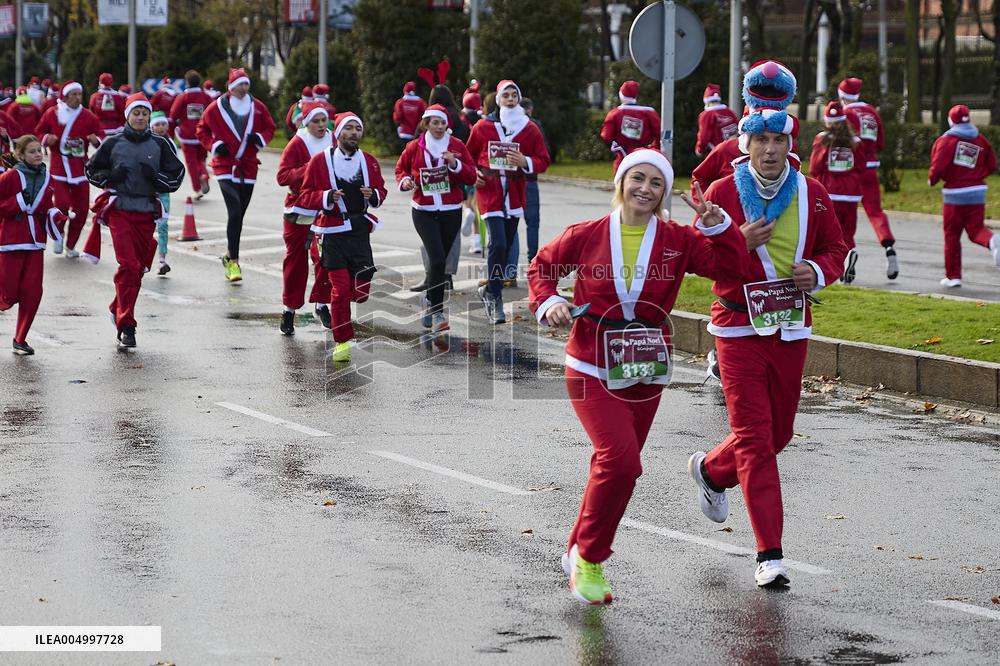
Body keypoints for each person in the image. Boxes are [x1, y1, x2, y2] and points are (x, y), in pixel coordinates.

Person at [528, 148, 748, 605]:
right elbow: (542, 268)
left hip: (646, 367)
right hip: (590, 363)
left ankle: (576, 546)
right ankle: (590, 557)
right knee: (622, 461)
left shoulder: (677, 238)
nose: (645, 189)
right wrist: (548, 301)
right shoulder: (587, 234)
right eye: (638, 179)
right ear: (621, 182)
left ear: (664, 192)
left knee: (612, 467)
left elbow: (732, 268)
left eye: (656, 183)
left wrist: (717, 226)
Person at [688, 60, 846, 589]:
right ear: (746, 143)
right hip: (736, 327)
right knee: (755, 439)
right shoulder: (724, 195)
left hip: (791, 326)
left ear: (789, 143)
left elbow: (836, 248)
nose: (771, 149)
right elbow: (703, 260)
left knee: (778, 434)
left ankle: (711, 471)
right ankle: (769, 554)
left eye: (779, 139)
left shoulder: (813, 192)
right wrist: (737, 241)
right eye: (761, 140)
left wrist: (817, 272)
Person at [85, 93, 185, 348]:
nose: (140, 118)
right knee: (128, 264)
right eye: (136, 113)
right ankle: (127, 324)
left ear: (149, 116)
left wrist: (157, 180)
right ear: (127, 115)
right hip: (120, 210)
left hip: (146, 211)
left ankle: (117, 306)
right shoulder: (113, 142)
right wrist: (111, 176)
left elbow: (177, 175)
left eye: (144, 113)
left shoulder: (160, 144)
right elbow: (91, 170)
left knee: (138, 269)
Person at [298, 112, 387, 363]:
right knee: (340, 290)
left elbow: (382, 190)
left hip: (359, 232)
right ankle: (342, 342)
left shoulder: (369, 162)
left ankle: (342, 314)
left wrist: (374, 195)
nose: (354, 133)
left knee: (360, 289)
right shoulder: (320, 162)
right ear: (338, 133)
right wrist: (326, 197)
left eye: (358, 129)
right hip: (332, 233)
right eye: (348, 128)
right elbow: (304, 196)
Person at [466, 80, 550, 324]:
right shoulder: (483, 127)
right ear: (499, 100)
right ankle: (495, 297)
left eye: (515, 95)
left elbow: (543, 160)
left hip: (515, 193)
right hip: (490, 192)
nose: (511, 99)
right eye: (506, 96)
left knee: (507, 242)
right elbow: (468, 155)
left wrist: (526, 162)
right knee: (499, 244)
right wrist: (474, 174)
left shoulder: (530, 129)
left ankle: (489, 289)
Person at [396, 104, 477, 332]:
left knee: (440, 260)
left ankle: (429, 301)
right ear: (426, 124)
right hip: (423, 210)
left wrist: (454, 163)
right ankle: (438, 312)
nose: (440, 127)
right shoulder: (414, 147)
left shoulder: (457, 146)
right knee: (438, 259)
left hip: (451, 209)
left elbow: (470, 176)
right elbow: (401, 170)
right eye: (435, 123)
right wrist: (406, 182)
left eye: (443, 123)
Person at [195, 67, 276, 282]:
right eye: (240, 83)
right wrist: (214, 144)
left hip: (248, 166)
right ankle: (234, 263)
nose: (244, 87)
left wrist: (259, 138)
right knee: (234, 212)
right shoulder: (216, 108)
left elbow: (270, 127)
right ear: (231, 86)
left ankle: (228, 255)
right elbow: (201, 130)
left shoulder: (257, 107)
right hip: (224, 165)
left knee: (240, 213)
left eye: (246, 83)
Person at [0, 135, 63, 355]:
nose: (38, 155)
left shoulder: (48, 178)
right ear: (21, 155)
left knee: (33, 292)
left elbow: (47, 206)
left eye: (39, 151)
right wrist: (17, 203)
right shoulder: (10, 176)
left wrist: (55, 215)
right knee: (8, 292)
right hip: (10, 241)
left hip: (35, 242)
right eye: (32, 151)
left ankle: (20, 338)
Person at [276, 101, 334, 335]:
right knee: (296, 260)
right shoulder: (298, 143)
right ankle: (289, 310)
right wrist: (310, 168)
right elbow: (282, 176)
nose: (321, 125)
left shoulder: (334, 139)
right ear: (306, 122)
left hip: (327, 207)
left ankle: (322, 304)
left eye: (324, 120)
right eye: (316, 121)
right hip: (299, 209)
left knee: (327, 258)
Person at [929, 104, 1000, 287]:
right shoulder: (980, 140)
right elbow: (991, 165)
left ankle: (953, 277)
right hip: (977, 193)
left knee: (951, 235)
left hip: (954, 195)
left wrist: (932, 180)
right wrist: (976, 175)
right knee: (976, 230)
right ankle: (993, 240)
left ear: (951, 121)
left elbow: (938, 166)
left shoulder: (946, 141)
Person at [838, 77, 899, 280]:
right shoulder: (872, 112)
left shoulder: (845, 114)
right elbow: (880, 142)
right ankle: (889, 248)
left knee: (846, 216)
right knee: (875, 212)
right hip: (871, 169)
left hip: (851, 170)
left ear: (842, 96)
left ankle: (846, 257)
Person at [34, 80, 102, 257]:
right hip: (59, 168)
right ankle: (58, 234)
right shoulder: (53, 113)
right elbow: (39, 131)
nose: (78, 98)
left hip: (80, 169)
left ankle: (71, 246)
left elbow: (101, 136)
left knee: (81, 211)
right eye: (74, 94)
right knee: (62, 205)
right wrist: (46, 138)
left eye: (80, 94)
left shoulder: (88, 116)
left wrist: (95, 140)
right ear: (65, 96)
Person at [809, 100, 865, 284]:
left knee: (829, 232)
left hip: (829, 193)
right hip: (850, 194)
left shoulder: (822, 139)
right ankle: (848, 255)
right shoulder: (855, 141)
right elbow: (862, 166)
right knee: (848, 231)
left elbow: (815, 167)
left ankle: (835, 266)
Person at [169, 70, 213, 199]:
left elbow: (173, 116)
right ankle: (204, 175)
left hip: (187, 135)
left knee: (191, 162)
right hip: (202, 134)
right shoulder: (205, 97)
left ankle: (197, 188)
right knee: (201, 160)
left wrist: (171, 133)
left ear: (187, 82)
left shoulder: (183, 97)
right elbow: (212, 112)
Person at [600, 81, 660, 172]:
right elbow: (659, 134)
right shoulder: (650, 113)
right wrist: (654, 149)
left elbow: (606, 136)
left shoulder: (615, 113)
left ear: (621, 95)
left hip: (623, 156)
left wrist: (614, 147)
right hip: (644, 156)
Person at [149, 111, 177, 276]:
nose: (160, 128)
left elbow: (176, 167)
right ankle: (143, 257)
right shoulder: (147, 142)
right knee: (145, 225)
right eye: (157, 125)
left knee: (163, 225)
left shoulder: (171, 144)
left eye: (163, 124)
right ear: (151, 127)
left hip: (164, 190)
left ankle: (162, 260)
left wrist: (168, 182)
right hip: (147, 191)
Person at [696, 83, 740, 157]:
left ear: (707, 101)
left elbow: (704, 136)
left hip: (718, 152)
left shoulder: (706, 115)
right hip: (735, 151)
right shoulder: (729, 112)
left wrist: (700, 149)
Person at [89, 73, 124, 139]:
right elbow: (122, 113)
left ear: (100, 82)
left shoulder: (94, 97)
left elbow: (91, 114)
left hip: (100, 131)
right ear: (111, 83)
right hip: (116, 131)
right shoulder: (118, 97)